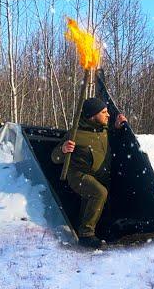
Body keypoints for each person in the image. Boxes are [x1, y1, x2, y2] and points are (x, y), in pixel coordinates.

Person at [51, 97, 127, 249]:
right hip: (78, 175)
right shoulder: (75, 134)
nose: (108, 115)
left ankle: (92, 230)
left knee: (94, 199)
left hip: (99, 176)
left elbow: (110, 136)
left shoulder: (104, 131)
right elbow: (55, 157)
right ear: (93, 116)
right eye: (104, 112)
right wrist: (63, 149)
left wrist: (118, 127)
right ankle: (86, 235)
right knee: (99, 192)